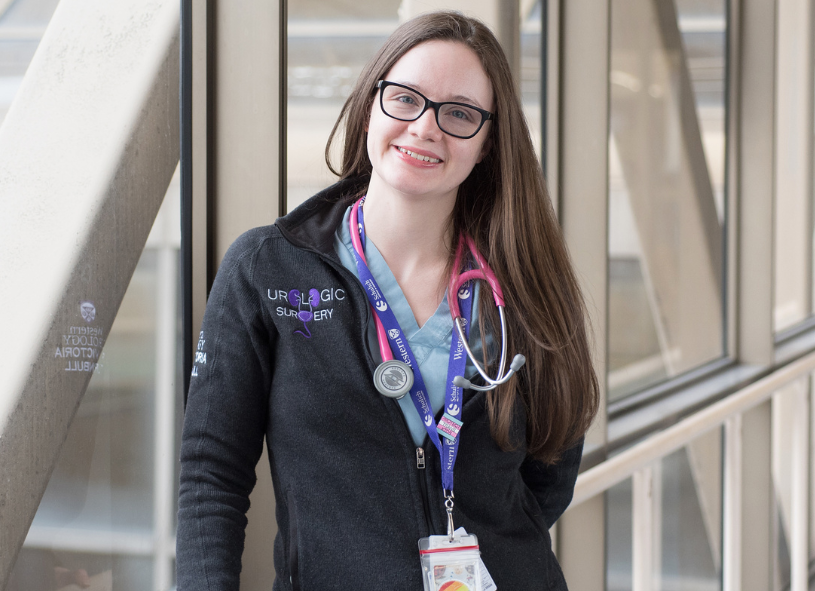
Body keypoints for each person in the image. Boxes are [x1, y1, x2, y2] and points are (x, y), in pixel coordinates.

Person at [177, 11, 599, 590]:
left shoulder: (526, 281)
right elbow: (211, 474)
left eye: (459, 114)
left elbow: (551, 465)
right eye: (405, 99)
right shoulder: (267, 270)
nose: (425, 128)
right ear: (370, 104)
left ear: (488, 143)